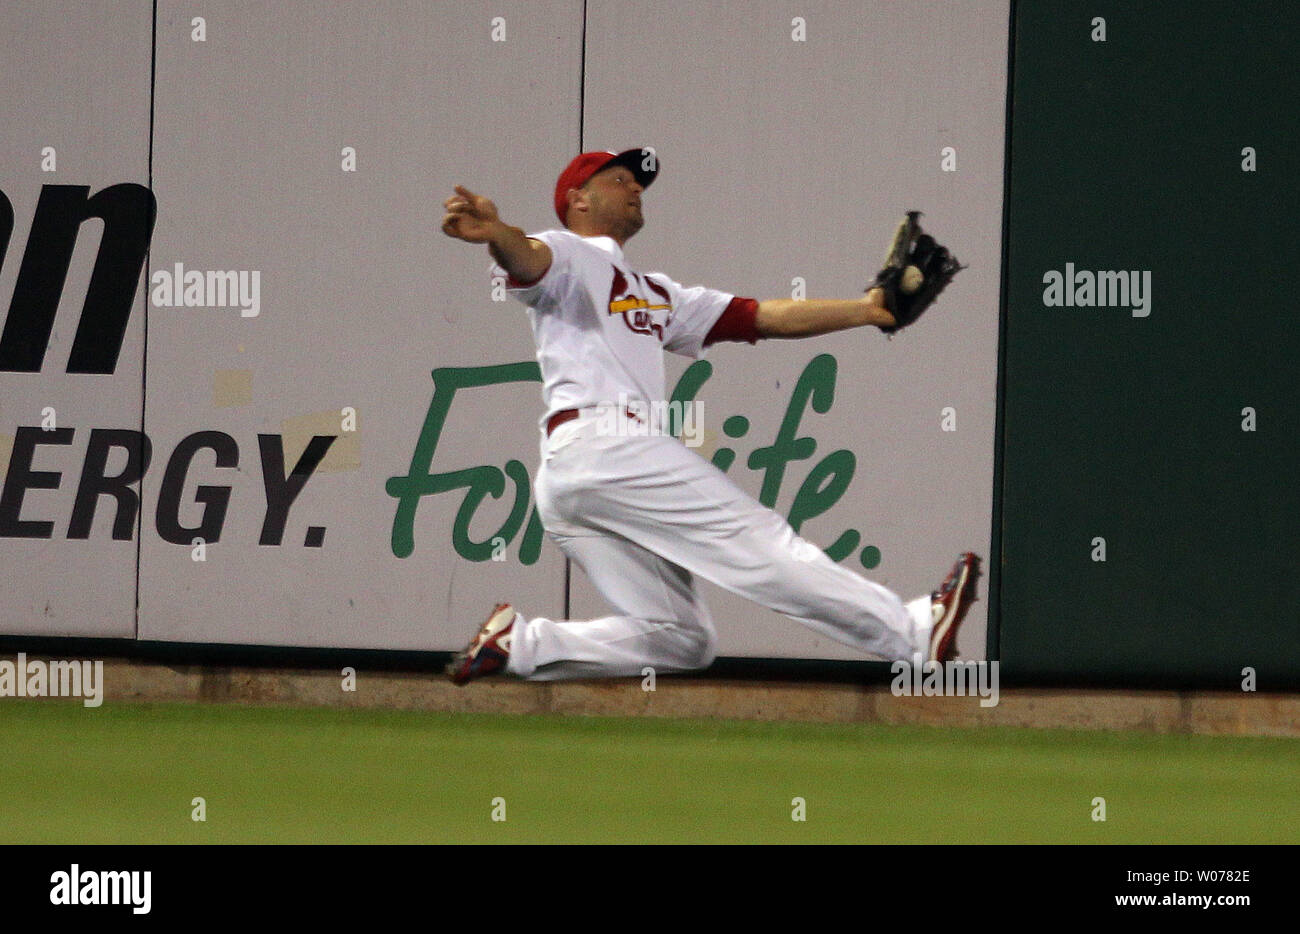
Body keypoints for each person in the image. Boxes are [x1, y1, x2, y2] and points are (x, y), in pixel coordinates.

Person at [439, 147, 980, 684]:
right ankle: (910, 633)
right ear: (577, 200)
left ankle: (522, 643)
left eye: (638, 183)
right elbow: (527, 259)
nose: (635, 188)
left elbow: (761, 317)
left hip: (575, 477)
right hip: (606, 443)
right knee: (756, 540)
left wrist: (867, 310)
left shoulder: (654, 293)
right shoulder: (566, 254)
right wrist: (498, 234)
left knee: (681, 638)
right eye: (621, 179)